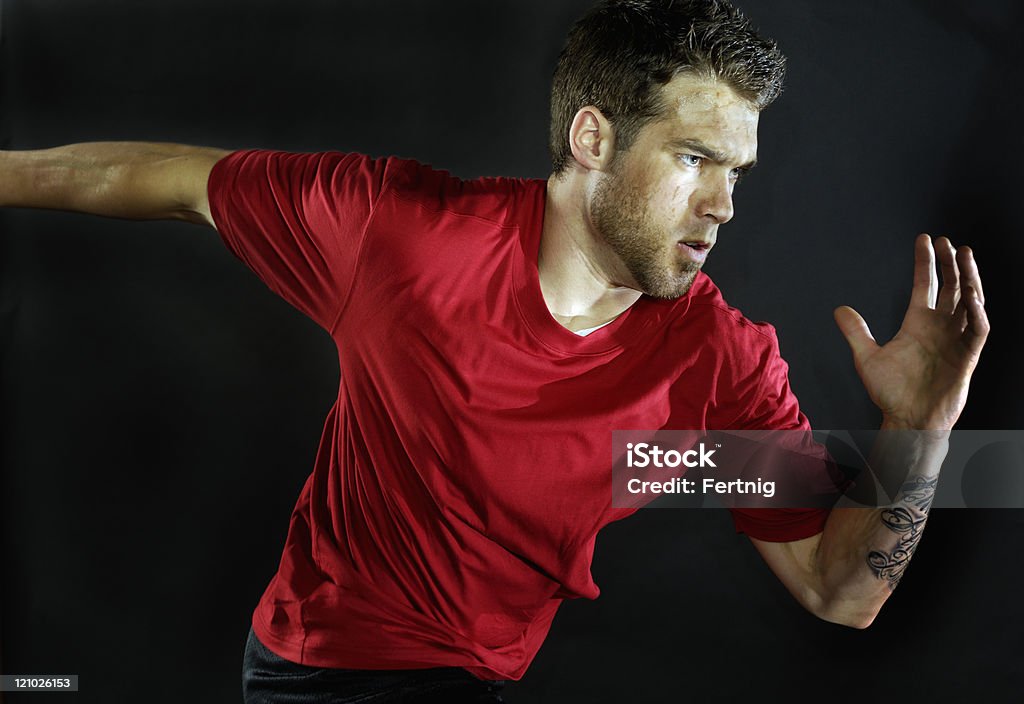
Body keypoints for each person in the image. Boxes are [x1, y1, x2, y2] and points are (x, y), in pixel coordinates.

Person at [0, 0, 988, 701]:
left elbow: (837, 587)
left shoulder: (711, 360)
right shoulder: (402, 237)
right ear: (593, 138)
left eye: (735, 171)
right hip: (329, 668)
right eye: (692, 159)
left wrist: (919, 425)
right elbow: (157, 177)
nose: (722, 205)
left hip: (478, 677)